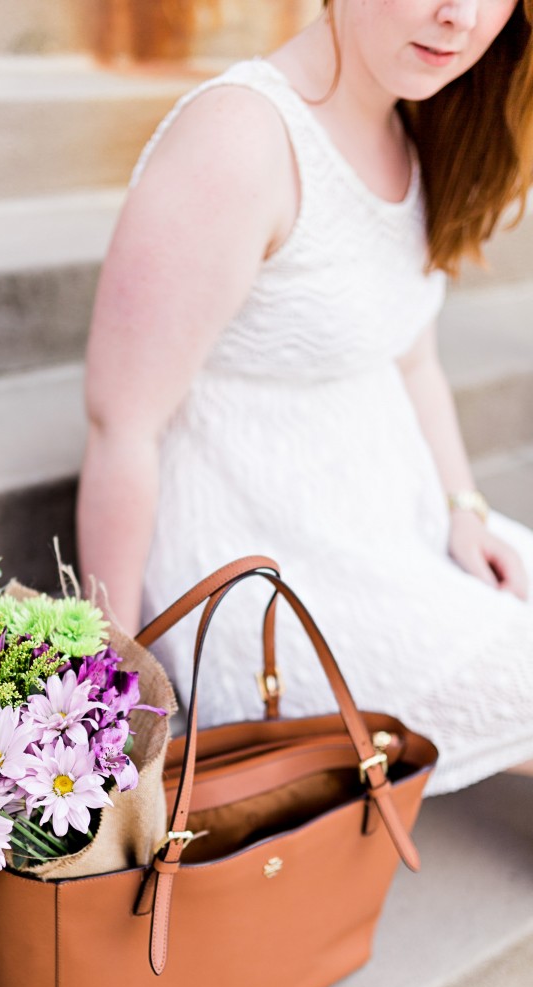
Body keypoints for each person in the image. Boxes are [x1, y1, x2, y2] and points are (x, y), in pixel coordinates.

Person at [76, 0, 533, 795]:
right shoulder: (243, 140)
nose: (458, 16)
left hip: (395, 522)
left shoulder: (418, 124)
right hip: (279, 572)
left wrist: (465, 505)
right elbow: (124, 425)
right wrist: (110, 681)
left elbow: (413, 357)